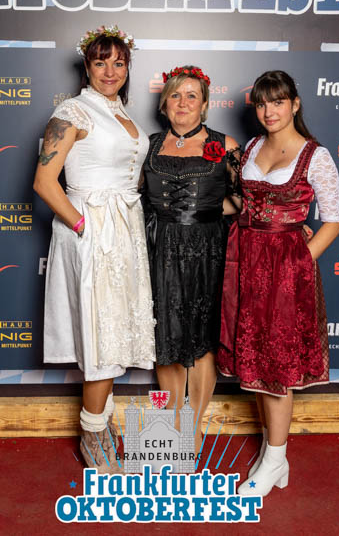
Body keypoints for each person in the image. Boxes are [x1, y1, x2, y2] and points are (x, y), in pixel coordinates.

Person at [33, 26, 154, 474]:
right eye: (101, 62)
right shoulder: (72, 111)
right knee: (100, 332)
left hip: (124, 230)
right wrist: (84, 225)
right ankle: (92, 433)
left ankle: (101, 422)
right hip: (92, 231)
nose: (110, 71)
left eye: (118, 63)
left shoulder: (121, 113)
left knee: (116, 329)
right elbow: (44, 182)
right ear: (87, 66)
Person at [217, 70, 339, 498]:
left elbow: (332, 222)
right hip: (245, 260)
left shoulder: (315, 156)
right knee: (253, 362)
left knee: (275, 367)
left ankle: (274, 460)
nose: (269, 111)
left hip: (284, 271)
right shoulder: (252, 147)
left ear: (295, 104)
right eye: (262, 103)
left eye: (278, 102)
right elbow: (241, 204)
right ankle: (275, 457)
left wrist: (298, 264)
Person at [141, 65, 240, 459]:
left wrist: (205, 210)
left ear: (204, 104)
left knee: (201, 338)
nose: (183, 103)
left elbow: (245, 201)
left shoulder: (225, 144)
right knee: (166, 335)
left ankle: (193, 428)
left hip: (207, 249)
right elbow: (131, 196)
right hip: (160, 247)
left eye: (192, 96)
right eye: (176, 95)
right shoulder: (148, 145)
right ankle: (169, 425)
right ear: (164, 103)